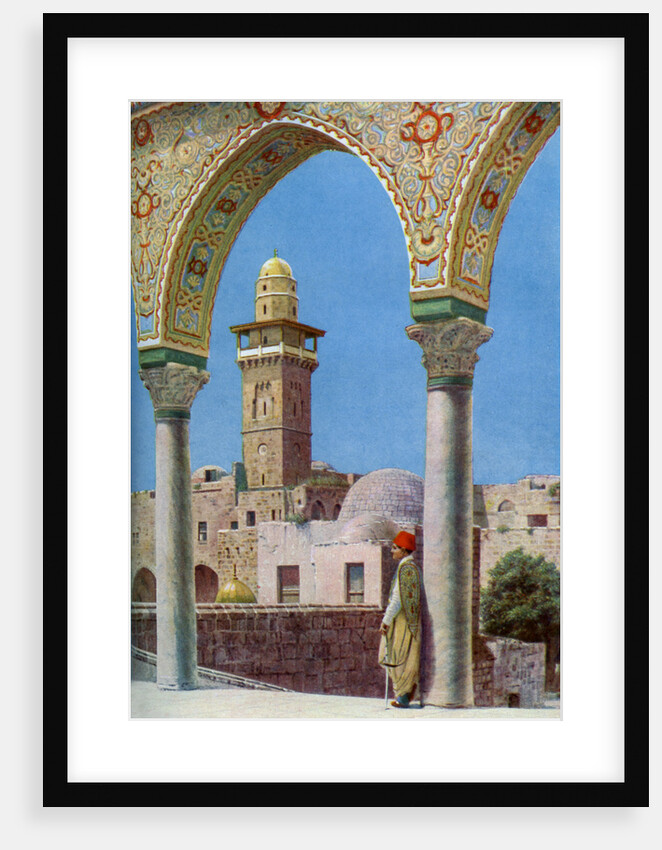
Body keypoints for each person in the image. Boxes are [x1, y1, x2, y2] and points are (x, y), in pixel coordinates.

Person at [378, 530, 421, 708]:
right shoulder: (410, 567)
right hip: (407, 620)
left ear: (404, 551)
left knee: (397, 655)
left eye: (395, 548)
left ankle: (403, 696)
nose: (392, 551)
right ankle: (404, 695)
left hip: (403, 621)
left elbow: (397, 600)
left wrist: (386, 621)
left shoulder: (406, 569)